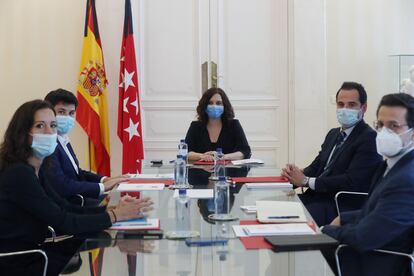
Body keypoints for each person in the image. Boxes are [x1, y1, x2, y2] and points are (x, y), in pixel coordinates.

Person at [0, 100, 153, 276]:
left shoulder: (35, 169)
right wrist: (114, 216)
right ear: (23, 133)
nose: (50, 132)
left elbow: (65, 207)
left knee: (100, 241)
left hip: (36, 249)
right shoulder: (18, 173)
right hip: (19, 260)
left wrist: (111, 210)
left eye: (53, 125)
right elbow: (62, 219)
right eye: (40, 126)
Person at [322, 93, 414, 276]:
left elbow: (364, 238)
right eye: (380, 125)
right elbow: (377, 211)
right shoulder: (389, 165)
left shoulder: (406, 179)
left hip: (379, 263)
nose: (383, 132)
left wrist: (326, 231)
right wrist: (344, 219)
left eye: (393, 126)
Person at [282, 82, 382, 226]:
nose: (345, 109)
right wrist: (293, 174)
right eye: (340, 104)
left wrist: (305, 181)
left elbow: (351, 182)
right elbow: (316, 167)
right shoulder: (333, 134)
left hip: (339, 205)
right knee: (273, 206)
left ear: (363, 108)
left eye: (351, 105)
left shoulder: (370, 138)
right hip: (316, 198)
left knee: (284, 218)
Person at [40, 89, 125, 204]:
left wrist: (105, 179)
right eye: (61, 112)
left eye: (71, 113)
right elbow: (61, 185)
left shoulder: (63, 139)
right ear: (48, 113)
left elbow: (77, 173)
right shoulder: (47, 144)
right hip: (67, 205)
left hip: (78, 199)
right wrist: (102, 187)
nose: (67, 117)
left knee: (126, 203)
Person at [185, 87, 251, 161]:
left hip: (230, 171)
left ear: (224, 106)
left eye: (218, 103)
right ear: (204, 105)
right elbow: (186, 152)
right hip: (200, 171)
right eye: (210, 103)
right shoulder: (195, 126)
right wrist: (203, 156)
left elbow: (245, 151)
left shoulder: (234, 125)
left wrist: (223, 157)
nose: (214, 106)